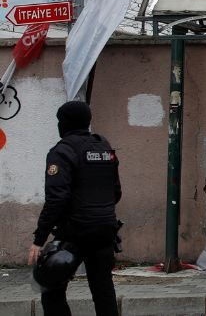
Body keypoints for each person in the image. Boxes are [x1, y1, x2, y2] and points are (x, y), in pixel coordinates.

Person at [28, 101, 121, 316]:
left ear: (64, 123)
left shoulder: (62, 152)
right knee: (103, 288)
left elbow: (56, 200)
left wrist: (39, 239)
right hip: (105, 230)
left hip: (75, 232)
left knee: (51, 287)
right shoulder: (104, 147)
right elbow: (116, 192)